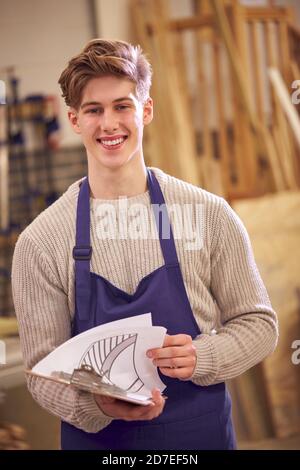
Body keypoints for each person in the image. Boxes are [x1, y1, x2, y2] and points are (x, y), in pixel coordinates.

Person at [12, 39, 278, 450]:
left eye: (122, 106)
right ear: (74, 120)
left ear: (146, 110)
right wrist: (98, 404)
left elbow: (259, 325)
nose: (109, 124)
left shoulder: (209, 214)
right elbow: (39, 373)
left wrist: (201, 357)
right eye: (93, 110)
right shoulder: (42, 241)